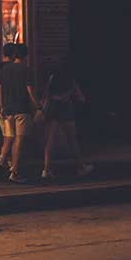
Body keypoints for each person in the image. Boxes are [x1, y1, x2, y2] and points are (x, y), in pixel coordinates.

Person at [0, 41, 38, 180]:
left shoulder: (5, 69)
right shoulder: (26, 70)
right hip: (21, 108)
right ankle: (14, 171)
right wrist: (38, 106)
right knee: (19, 140)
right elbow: (30, 90)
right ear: (25, 55)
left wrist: (3, 106)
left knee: (10, 137)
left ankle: (5, 163)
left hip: (8, 110)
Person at [40, 51, 94, 180]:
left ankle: (46, 169)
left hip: (52, 109)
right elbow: (79, 96)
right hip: (65, 109)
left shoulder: (53, 76)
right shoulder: (69, 78)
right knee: (72, 140)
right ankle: (80, 166)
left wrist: (42, 107)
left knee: (50, 141)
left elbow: (47, 94)